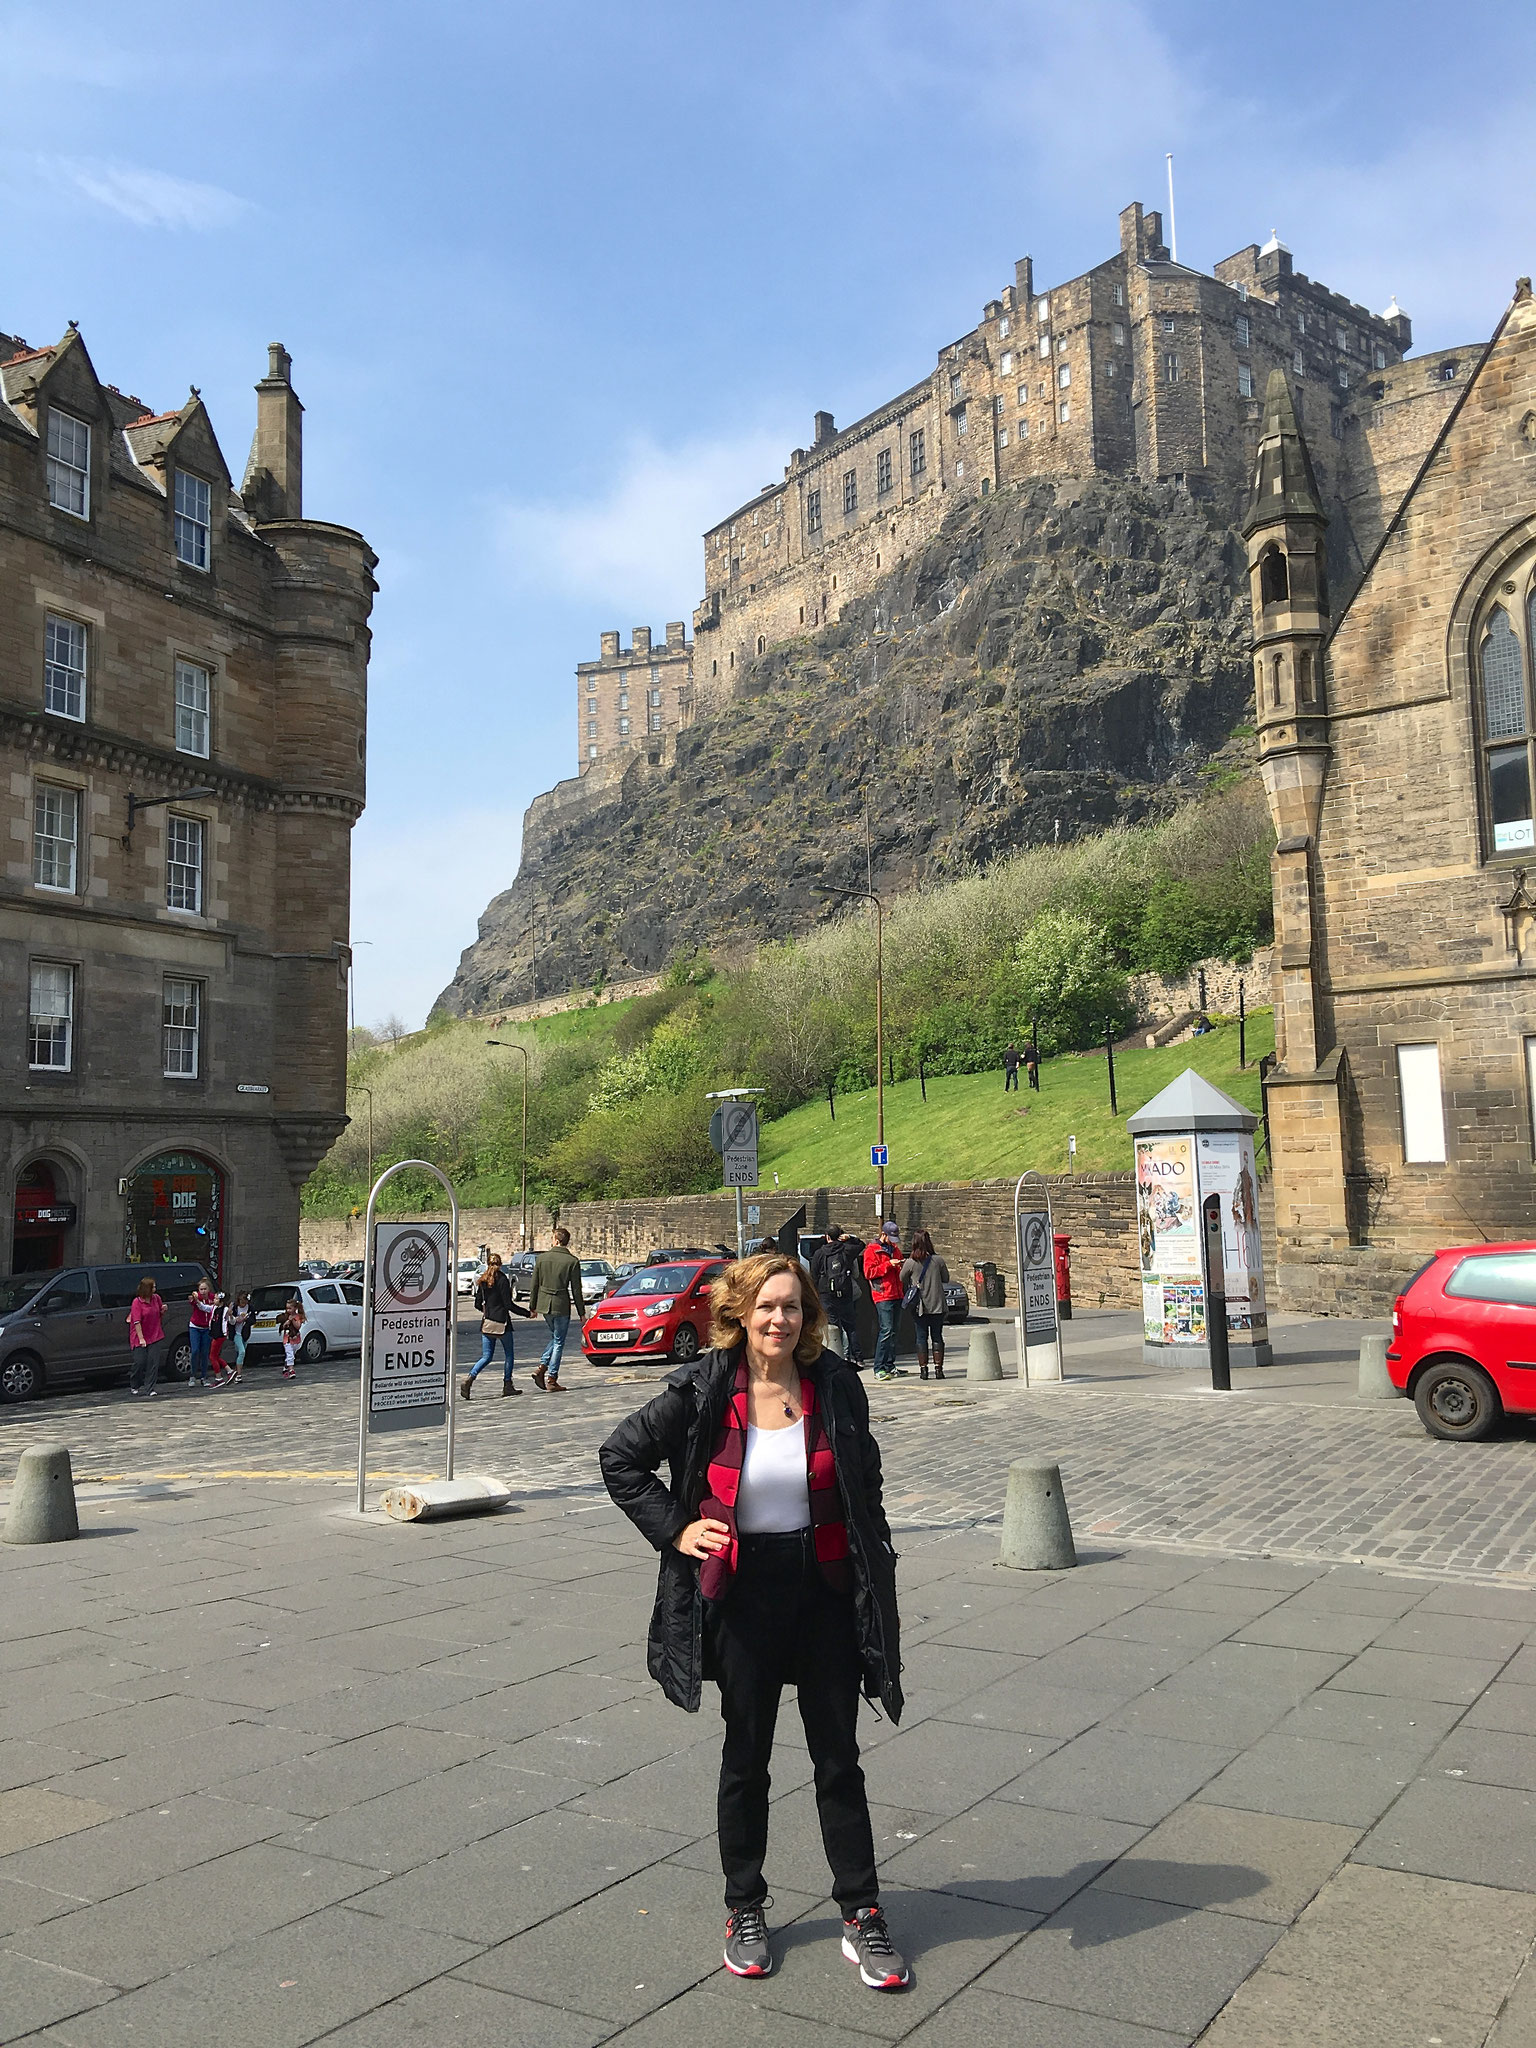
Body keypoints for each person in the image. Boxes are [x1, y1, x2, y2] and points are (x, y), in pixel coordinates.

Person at [599, 1251, 909, 1992]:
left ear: (809, 1317)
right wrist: (677, 1529)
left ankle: (861, 1912)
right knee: (747, 1760)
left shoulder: (834, 1384)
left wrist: (877, 1570)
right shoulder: (705, 1388)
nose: (780, 1319)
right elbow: (621, 1458)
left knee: (838, 1759)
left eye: (793, 1307)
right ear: (738, 1313)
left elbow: (865, 1485)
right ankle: (745, 1904)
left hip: (827, 1590)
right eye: (767, 1306)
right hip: (744, 1596)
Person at [460, 1252, 522, 1399]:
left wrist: (487, 1310)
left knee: (486, 1356)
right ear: (500, 1265)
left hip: (487, 1322)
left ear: (487, 1264)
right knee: (509, 1354)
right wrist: (526, 1313)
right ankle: (507, 1384)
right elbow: (508, 1304)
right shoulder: (502, 1280)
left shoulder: (483, 1281)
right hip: (502, 1323)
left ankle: (470, 1378)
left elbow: (477, 1303)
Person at [530, 1225, 584, 1391]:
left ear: (556, 1240)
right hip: (561, 1304)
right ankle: (551, 1377)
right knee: (559, 1341)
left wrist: (532, 1306)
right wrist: (582, 1312)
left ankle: (542, 1368)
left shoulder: (542, 1259)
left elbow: (535, 1284)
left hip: (544, 1304)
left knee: (556, 1338)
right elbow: (576, 1289)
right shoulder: (572, 1261)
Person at [900, 1229, 951, 1382]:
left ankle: (923, 1370)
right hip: (937, 1305)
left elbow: (902, 1278)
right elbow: (946, 1279)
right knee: (937, 1336)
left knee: (921, 1337)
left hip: (919, 1306)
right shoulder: (938, 1260)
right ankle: (938, 1369)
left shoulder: (910, 1262)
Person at [809, 1225, 864, 1366]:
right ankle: (858, 1358)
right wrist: (850, 1238)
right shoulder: (846, 1250)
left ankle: (836, 1357)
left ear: (827, 1236)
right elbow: (861, 1244)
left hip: (826, 1294)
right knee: (850, 1327)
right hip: (845, 1293)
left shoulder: (819, 1253)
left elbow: (814, 1275)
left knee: (832, 1326)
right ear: (840, 1235)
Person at [861, 1223, 904, 1384]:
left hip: (897, 1292)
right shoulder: (872, 1250)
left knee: (894, 1331)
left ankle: (889, 1364)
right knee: (886, 1330)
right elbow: (869, 1272)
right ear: (883, 1234)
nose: (893, 1241)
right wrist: (888, 1265)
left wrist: (900, 1265)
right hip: (883, 1294)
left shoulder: (894, 1249)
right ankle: (878, 1367)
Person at [126, 1277, 164, 1397]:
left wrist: (162, 1310)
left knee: (153, 1362)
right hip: (139, 1335)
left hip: (155, 1334)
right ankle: (135, 1383)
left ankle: (150, 1387)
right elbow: (136, 1321)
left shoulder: (156, 1298)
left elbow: (158, 1312)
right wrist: (141, 1338)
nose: (155, 1289)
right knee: (140, 1361)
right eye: (153, 1287)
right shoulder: (137, 1302)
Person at [186, 1278, 217, 1389]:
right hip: (195, 1327)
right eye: (201, 1289)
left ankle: (204, 1376)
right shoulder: (197, 1298)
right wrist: (194, 1297)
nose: (203, 1291)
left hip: (206, 1328)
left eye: (205, 1289)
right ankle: (193, 1375)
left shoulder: (213, 1298)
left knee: (205, 1352)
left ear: (208, 1289)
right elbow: (193, 1300)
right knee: (195, 1351)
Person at [225, 1293, 252, 1385]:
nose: (243, 1304)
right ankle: (239, 1375)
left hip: (245, 1334)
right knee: (242, 1351)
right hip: (236, 1333)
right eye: (241, 1302)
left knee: (240, 1354)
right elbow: (230, 1321)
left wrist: (246, 1319)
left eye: (245, 1302)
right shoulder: (235, 1308)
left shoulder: (250, 1308)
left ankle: (236, 1372)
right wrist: (235, 1318)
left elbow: (253, 1320)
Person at [280, 1294, 304, 1380]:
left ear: (295, 1308)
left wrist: (292, 1320)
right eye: (287, 1308)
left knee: (292, 1354)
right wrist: (286, 1323)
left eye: (290, 1308)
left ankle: (286, 1366)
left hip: (296, 1339)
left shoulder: (298, 1317)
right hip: (287, 1339)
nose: (288, 1310)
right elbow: (282, 1327)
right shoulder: (285, 1316)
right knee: (290, 1354)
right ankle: (291, 1370)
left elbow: (298, 1326)